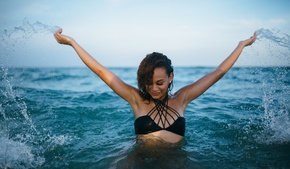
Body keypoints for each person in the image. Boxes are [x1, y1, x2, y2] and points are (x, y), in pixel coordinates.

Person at [54, 29, 256, 144]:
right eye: (147, 83)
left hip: (176, 163)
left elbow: (218, 73)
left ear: (170, 77)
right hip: (140, 163)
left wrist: (241, 45)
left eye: (159, 83)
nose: (153, 88)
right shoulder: (137, 100)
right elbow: (100, 71)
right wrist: (72, 42)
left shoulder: (182, 98)